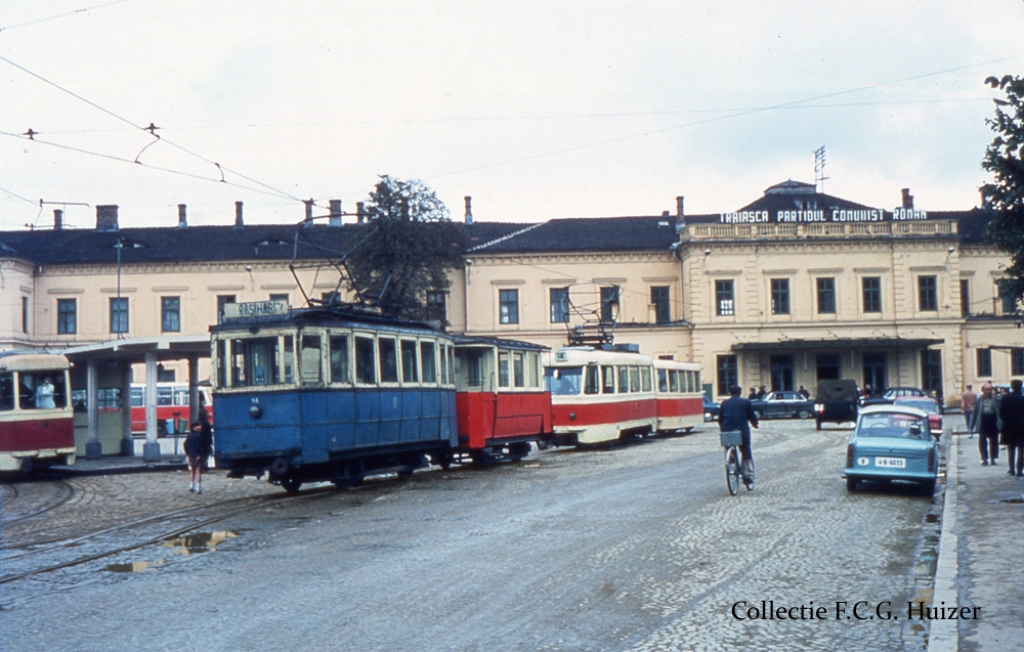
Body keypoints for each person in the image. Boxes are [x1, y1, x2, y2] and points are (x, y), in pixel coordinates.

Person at [718, 385, 759, 489]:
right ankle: (747, 474)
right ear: (740, 392)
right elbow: (752, 416)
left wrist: (722, 427)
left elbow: (720, 418)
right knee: (745, 451)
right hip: (742, 431)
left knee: (728, 447)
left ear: (729, 393)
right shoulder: (746, 402)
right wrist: (755, 424)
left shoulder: (724, 403)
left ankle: (730, 461)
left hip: (727, 430)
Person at [998, 379, 1024, 477]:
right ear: (1020, 387)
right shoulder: (1022, 399)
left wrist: (1006, 421)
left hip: (1008, 427)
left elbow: (1001, 413)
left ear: (1012, 387)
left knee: (1011, 448)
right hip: (1021, 427)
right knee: (1021, 449)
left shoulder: (1005, 398)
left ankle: (1011, 469)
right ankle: (1019, 470)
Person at [971, 383, 1001, 466]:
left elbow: (1000, 412)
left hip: (993, 421)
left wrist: (1001, 423)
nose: (988, 391)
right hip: (983, 421)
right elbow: (975, 413)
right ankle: (984, 458)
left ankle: (993, 458)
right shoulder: (979, 400)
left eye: (990, 389)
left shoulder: (996, 399)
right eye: (987, 390)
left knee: (994, 441)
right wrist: (972, 426)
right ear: (983, 390)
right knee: (982, 441)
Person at [185, 421, 207, 493]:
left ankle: (191, 486)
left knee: (192, 471)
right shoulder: (200, 436)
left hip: (191, 455)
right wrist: (201, 454)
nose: (200, 427)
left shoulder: (190, 436)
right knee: (198, 471)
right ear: (195, 427)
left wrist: (188, 453)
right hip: (198, 455)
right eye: (198, 426)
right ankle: (198, 487)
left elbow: (185, 445)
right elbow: (201, 446)